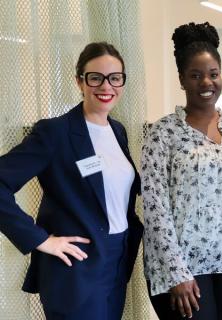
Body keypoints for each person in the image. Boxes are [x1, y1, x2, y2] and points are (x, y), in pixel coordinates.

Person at [0, 42, 143, 319]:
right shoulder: (55, 132)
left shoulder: (118, 130)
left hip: (116, 261)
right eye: (95, 77)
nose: (106, 86)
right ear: (79, 81)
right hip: (76, 269)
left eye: (115, 78)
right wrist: (40, 240)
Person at [142, 22, 222, 320]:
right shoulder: (162, 133)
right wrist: (175, 271)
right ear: (182, 80)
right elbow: (154, 205)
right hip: (184, 265)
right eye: (196, 76)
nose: (206, 83)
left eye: (213, 74)